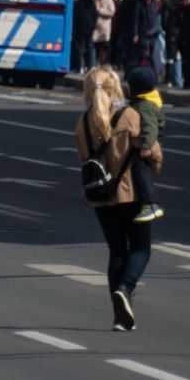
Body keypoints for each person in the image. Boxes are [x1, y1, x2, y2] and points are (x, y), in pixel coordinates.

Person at [77, 66, 153, 331]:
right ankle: (126, 288)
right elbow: (152, 152)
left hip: (100, 196)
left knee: (117, 250)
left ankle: (120, 316)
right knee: (142, 248)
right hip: (131, 193)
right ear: (116, 89)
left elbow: (84, 157)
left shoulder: (84, 122)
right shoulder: (130, 116)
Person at [123, 67, 165, 224]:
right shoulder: (145, 100)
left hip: (147, 141)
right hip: (146, 139)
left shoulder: (145, 105)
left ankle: (151, 204)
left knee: (139, 170)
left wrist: (146, 146)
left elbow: (150, 127)